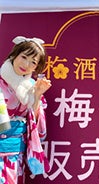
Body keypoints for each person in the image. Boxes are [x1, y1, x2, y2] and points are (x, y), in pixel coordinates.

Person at [0, 37, 50, 182]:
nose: (26, 64)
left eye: (33, 62)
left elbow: (36, 127)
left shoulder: (32, 87)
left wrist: (37, 96)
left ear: (36, 68)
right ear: (14, 55)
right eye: (24, 57)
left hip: (14, 156)